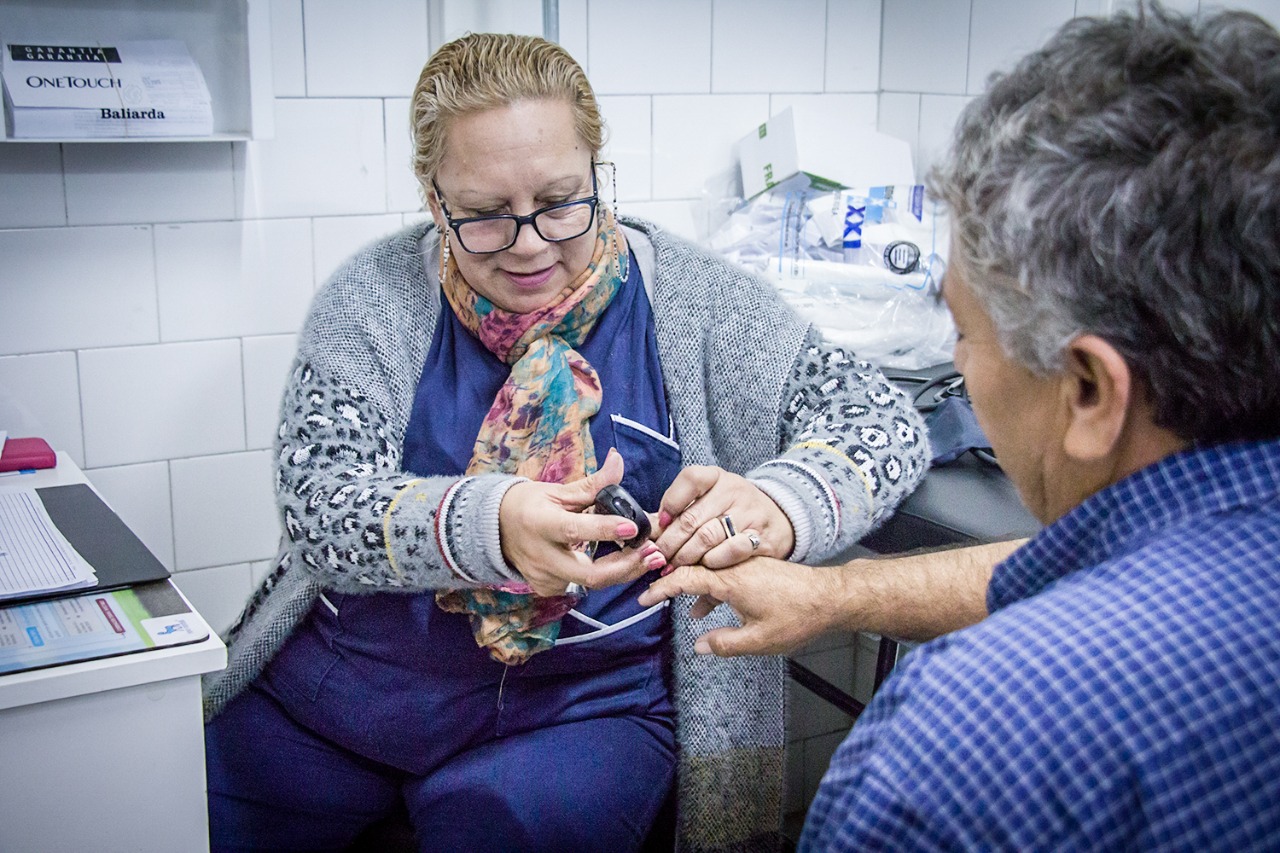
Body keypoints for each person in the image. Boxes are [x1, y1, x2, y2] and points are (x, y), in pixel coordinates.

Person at [201, 32, 928, 853]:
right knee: (178, 811)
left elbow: (879, 420)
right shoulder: (373, 300)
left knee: (503, 827)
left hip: (584, 710)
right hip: (345, 700)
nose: (530, 245)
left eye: (560, 201)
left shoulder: (694, 301)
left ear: (598, 174)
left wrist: (781, 502)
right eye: (482, 215)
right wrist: (490, 525)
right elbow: (320, 501)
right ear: (432, 199)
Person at [645, 4, 1280, 849]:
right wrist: (834, 594)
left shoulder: (958, 746)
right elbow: (1094, 565)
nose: (959, 364)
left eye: (966, 333)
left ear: (1089, 391)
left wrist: (786, 499)